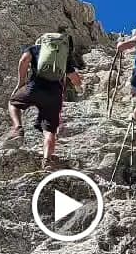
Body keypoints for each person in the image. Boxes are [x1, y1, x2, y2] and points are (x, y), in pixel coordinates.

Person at [6, 26, 83, 170]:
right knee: (50, 131)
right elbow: (75, 78)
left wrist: (21, 83)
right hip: (54, 95)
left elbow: (24, 61)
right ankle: (47, 160)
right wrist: (79, 90)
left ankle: (17, 128)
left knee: (13, 103)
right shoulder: (64, 55)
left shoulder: (36, 49)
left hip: (35, 86)